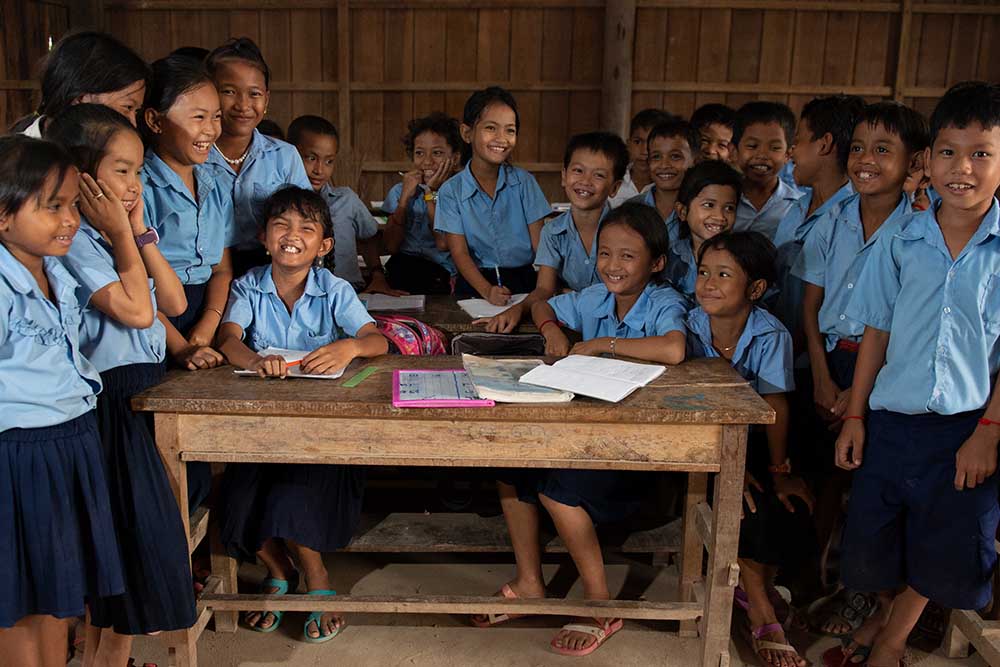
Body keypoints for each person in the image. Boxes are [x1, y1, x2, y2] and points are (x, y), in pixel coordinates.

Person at [834, 81, 1000, 667]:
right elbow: (875, 331)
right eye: (950, 152)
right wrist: (855, 414)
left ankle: (894, 637)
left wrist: (988, 430)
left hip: (965, 427)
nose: (964, 169)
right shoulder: (902, 239)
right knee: (874, 542)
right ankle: (886, 613)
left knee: (947, 544)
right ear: (929, 162)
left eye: (982, 153)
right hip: (891, 422)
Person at [474, 203, 686, 657]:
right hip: (586, 439)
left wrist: (602, 345)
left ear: (657, 263)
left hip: (641, 452)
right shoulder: (595, 297)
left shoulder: (663, 302)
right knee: (511, 471)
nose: (613, 265)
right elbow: (542, 301)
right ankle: (531, 583)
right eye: (605, 253)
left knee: (556, 488)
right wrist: (550, 328)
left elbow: (673, 349)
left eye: (628, 256)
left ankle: (599, 604)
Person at [46, 104, 197, 665]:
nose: (135, 185)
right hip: (107, 404)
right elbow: (138, 311)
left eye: (138, 172)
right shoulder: (75, 242)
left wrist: (134, 230)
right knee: (127, 557)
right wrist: (116, 231)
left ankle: (111, 659)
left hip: (141, 391)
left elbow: (174, 304)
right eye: (123, 171)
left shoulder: (116, 237)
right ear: (81, 176)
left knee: (136, 552)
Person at [217, 186, 388, 644]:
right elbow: (229, 338)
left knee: (290, 500)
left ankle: (316, 581)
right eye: (282, 226)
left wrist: (348, 346)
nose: (293, 236)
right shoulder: (248, 285)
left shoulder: (335, 290)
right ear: (264, 237)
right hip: (261, 433)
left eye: (307, 229)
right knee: (234, 509)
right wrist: (252, 361)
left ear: (324, 246)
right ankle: (279, 570)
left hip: (321, 435)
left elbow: (377, 341)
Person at [794, 101, 929, 652]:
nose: (865, 161)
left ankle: (867, 594)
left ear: (913, 161)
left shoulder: (922, 226)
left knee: (871, 489)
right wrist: (824, 380)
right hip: (829, 360)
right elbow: (809, 305)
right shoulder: (832, 217)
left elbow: (907, 321)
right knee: (820, 477)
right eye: (858, 148)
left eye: (882, 150)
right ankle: (817, 579)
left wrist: (858, 394)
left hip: (888, 370)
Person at [0, 135, 124, 667]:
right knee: (19, 597)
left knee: (59, 589)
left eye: (73, 204)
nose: (71, 219)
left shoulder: (56, 272)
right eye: (52, 207)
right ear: (3, 215)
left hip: (71, 438)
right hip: (19, 452)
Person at [687, 231, 812, 667]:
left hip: (755, 438)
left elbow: (776, 403)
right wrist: (726, 471)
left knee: (778, 506)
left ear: (755, 289)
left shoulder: (770, 335)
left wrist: (778, 469)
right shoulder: (685, 327)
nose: (709, 284)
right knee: (739, 503)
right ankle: (760, 606)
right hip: (700, 441)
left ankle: (751, 588)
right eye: (703, 272)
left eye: (724, 275)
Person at [141, 54, 234, 509]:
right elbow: (136, 282)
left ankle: (195, 559)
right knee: (162, 455)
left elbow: (221, 267)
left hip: (204, 315)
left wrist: (206, 329)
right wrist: (180, 345)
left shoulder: (216, 179)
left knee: (204, 452)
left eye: (216, 117)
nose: (212, 129)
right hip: (152, 318)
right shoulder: (138, 185)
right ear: (155, 121)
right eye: (198, 117)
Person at [485, 131, 628, 333]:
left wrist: (569, 294)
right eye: (578, 170)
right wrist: (517, 309)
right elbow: (544, 289)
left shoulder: (627, 232)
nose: (585, 181)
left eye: (599, 175)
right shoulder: (552, 231)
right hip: (572, 323)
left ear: (615, 187)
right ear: (564, 176)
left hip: (619, 325)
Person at [204, 38, 311, 276]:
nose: (243, 105)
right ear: (208, 94)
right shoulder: (194, 156)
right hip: (208, 271)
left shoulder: (284, 156)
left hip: (272, 270)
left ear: (267, 100)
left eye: (254, 94)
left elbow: (307, 220)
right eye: (229, 92)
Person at [434, 86, 551, 303]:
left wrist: (546, 289)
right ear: (467, 133)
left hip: (524, 279)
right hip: (474, 282)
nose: (501, 138)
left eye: (510, 130)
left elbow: (541, 247)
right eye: (491, 128)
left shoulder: (524, 183)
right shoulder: (451, 191)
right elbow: (459, 253)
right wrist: (487, 291)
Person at [772, 94, 865, 338]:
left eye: (798, 141)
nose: (791, 153)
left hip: (822, 354)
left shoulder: (853, 219)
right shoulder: (796, 208)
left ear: (824, 144)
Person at [287, 114, 399, 294]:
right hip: (296, 295)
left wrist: (377, 276)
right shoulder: (280, 207)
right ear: (290, 154)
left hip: (349, 292)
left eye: (329, 161)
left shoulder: (346, 199)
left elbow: (368, 238)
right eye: (311, 158)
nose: (319, 170)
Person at [382, 112, 463, 295]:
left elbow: (442, 242)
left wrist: (430, 193)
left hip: (440, 274)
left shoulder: (459, 193)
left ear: (455, 159)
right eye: (419, 153)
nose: (427, 162)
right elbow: (390, 246)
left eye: (437, 153)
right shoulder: (399, 190)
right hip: (402, 269)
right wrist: (403, 200)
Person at [11, 31, 148, 136]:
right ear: (80, 99)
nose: (133, 124)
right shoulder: (16, 164)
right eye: (127, 107)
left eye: (136, 111)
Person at [665, 160, 742, 301]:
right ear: (682, 211)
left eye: (729, 208)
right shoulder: (669, 259)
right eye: (709, 205)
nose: (720, 217)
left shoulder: (743, 259)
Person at [733, 102, 803, 241]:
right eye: (752, 146)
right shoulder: (721, 198)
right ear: (734, 150)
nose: (762, 155)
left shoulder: (798, 206)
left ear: (788, 155)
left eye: (775, 148)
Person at [628, 117, 699, 240]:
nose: (664, 165)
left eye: (675, 156)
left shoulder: (702, 210)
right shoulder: (631, 209)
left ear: (696, 161)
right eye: (656, 157)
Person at [607, 108, 673, 207]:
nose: (644, 151)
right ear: (628, 144)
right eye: (637, 142)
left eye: (652, 143)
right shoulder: (613, 178)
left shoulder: (668, 185)